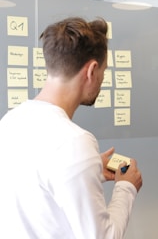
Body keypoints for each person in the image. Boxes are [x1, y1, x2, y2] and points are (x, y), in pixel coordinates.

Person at [0, 17, 142, 238]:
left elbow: (40, 190)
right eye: (104, 71)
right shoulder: (75, 141)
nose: (102, 79)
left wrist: (92, 167)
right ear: (92, 70)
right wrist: (127, 186)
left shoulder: (10, 120)